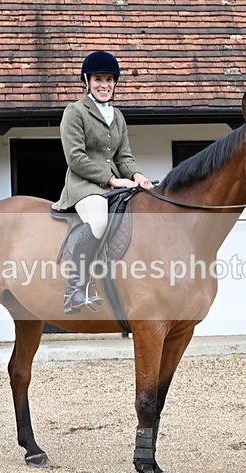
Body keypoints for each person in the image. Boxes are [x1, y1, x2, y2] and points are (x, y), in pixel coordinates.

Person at [52, 50, 154, 314]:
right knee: (99, 221)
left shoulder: (117, 116)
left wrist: (137, 176)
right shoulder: (75, 112)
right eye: (98, 79)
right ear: (87, 81)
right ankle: (74, 289)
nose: (104, 85)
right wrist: (112, 179)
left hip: (113, 186)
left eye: (109, 79)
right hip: (84, 185)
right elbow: (75, 158)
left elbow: (124, 157)